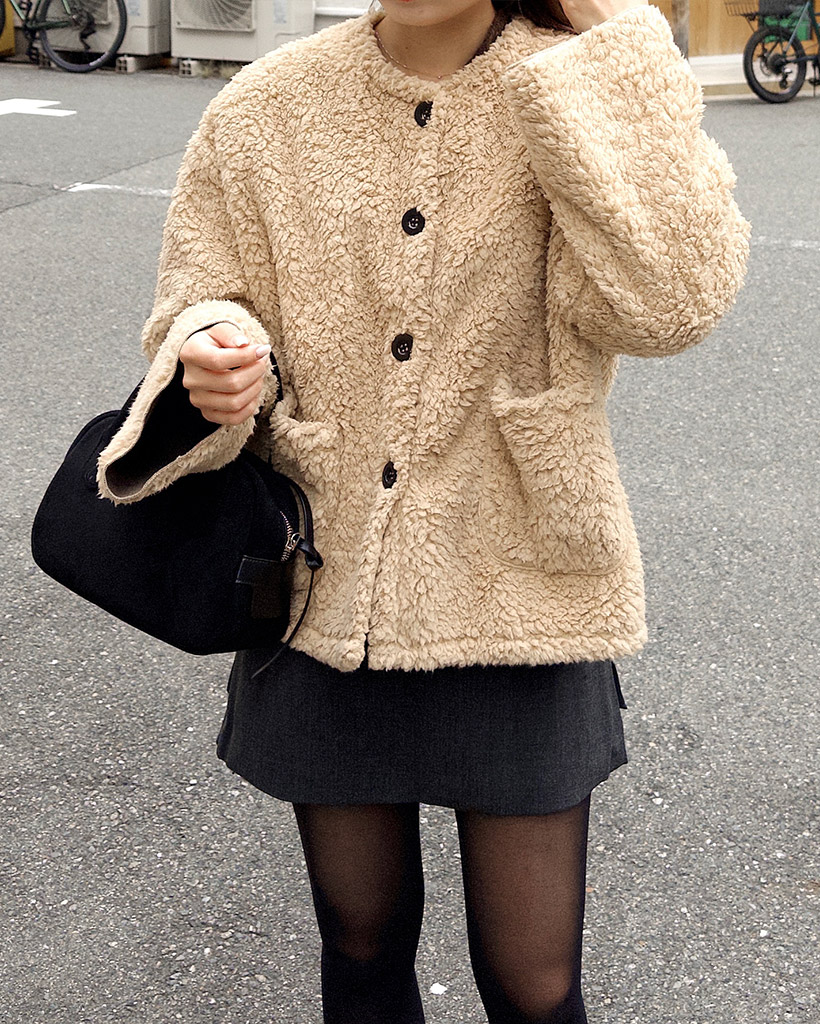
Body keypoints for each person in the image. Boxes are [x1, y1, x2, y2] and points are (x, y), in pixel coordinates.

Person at [97, 0, 750, 1020]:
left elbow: (672, 301)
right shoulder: (267, 105)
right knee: (359, 947)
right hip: (328, 583)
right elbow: (200, 292)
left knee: (534, 985)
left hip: (521, 581)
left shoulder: (570, 88)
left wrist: (615, 36)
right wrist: (209, 351)